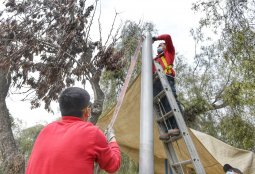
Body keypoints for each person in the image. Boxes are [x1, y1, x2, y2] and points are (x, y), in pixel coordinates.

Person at [26, 87, 121, 174]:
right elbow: (113, 165)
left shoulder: (45, 130)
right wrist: (112, 139)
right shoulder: (91, 133)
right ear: (86, 111)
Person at [152, 34, 183, 140]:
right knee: (162, 106)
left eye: (161, 45)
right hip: (157, 82)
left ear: (165, 46)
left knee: (171, 102)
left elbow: (168, 37)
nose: (159, 47)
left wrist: (155, 38)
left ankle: (177, 127)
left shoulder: (169, 52)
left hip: (167, 78)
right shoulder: (155, 60)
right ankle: (167, 130)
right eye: (157, 46)